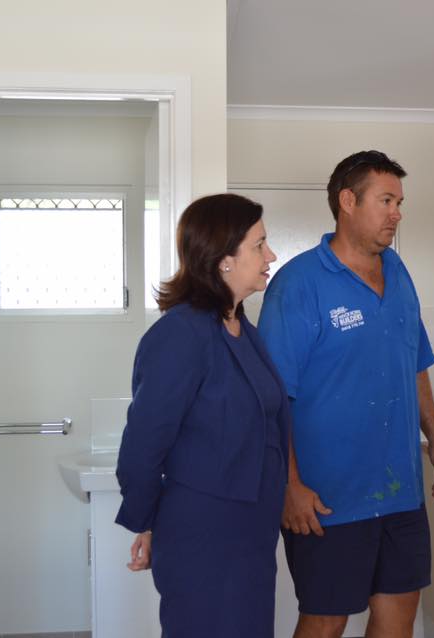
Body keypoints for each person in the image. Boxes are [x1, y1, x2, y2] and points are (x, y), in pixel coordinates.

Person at [258, 150, 434, 638]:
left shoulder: (400, 273)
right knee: (326, 620)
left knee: (398, 618)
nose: (397, 213)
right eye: (386, 200)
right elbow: (270, 398)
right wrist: (289, 484)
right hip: (328, 498)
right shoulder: (298, 285)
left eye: (400, 201)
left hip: (400, 491)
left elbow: (415, 365)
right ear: (348, 201)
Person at [114, 193, 289, 638]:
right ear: (223, 258)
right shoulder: (180, 335)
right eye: (259, 244)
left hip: (250, 533)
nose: (270, 255)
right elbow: (143, 446)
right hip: (203, 537)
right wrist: (146, 520)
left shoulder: (241, 329)